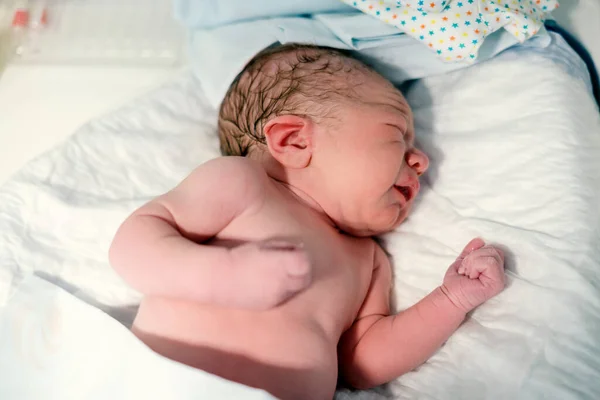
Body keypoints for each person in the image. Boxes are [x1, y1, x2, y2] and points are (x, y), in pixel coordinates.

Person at [109, 44, 506, 400]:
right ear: (294, 141)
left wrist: (452, 300)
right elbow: (133, 246)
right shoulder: (240, 184)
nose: (421, 161)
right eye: (397, 134)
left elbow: (361, 363)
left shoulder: (368, 260)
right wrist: (222, 274)